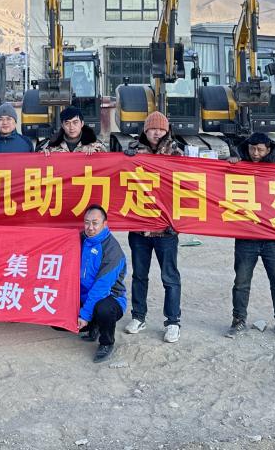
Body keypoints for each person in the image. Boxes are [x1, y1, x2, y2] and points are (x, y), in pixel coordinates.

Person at [225, 132, 275, 339]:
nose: (255, 153)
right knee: (241, 282)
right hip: (246, 236)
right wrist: (231, 164)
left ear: (268, 150)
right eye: (252, 149)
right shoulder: (239, 168)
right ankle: (238, 320)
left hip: (272, 239)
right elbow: (218, 184)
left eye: (260, 150)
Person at [120, 111, 182, 342]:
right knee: (139, 275)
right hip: (139, 227)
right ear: (145, 130)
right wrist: (123, 159)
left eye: (161, 129)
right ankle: (138, 316)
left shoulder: (176, 152)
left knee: (170, 277)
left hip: (166, 229)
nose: (157, 133)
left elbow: (187, 184)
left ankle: (173, 321)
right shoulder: (133, 150)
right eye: (152, 129)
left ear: (167, 131)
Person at [78, 205, 128, 364]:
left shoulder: (112, 250)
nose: (90, 227)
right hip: (84, 295)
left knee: (103, 309)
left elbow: (101, 288)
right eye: (87, 222)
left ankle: (106, 343)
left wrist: (85, 315)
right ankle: (94, 326)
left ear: (105, 224)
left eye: (95, 223)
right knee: (59, 322)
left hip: (110, 297)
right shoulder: (81, 239)